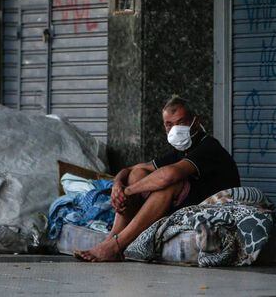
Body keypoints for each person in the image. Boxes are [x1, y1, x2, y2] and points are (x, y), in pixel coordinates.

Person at [74, 96, 241, 262]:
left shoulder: (209, 147)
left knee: (169, 184)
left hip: (212, 205)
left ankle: (116, 245)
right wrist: (117, 185)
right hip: (189, 201)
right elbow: (131, 169)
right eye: (169, 125)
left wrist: (128, 191)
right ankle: (111, 239)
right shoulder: (181, 150)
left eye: (181, 123)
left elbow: (170, 175)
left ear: (195, 122)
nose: (175, 129)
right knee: (136, 175)